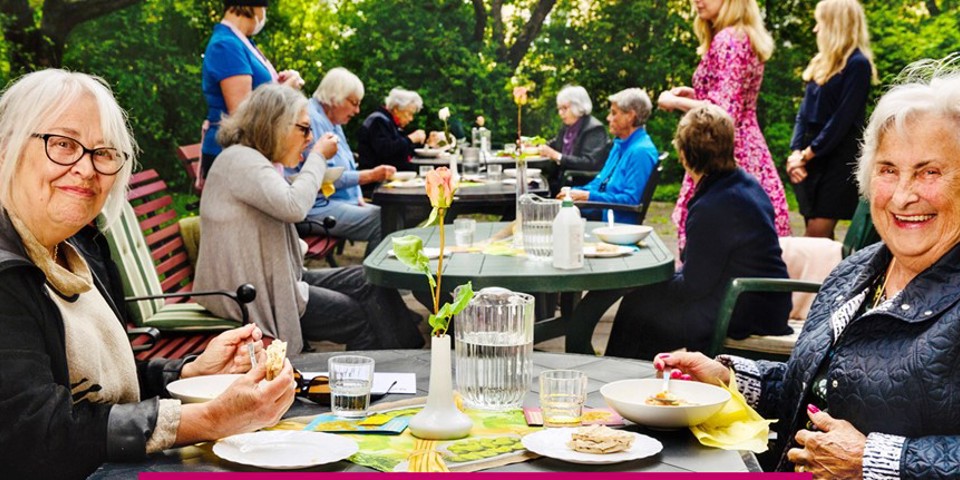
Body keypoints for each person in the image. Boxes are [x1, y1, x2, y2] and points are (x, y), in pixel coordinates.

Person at [654, 58, 960, 478]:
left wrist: (873, 460)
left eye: (929, 172)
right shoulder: (855, 273)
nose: (904, 195)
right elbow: (819, 387)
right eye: (888, 170)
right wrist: (728, 377)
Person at [0, 69, 294, 480]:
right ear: (6, 147)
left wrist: (189, 372)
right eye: (63, 144)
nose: (87, 169)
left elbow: (99, 387)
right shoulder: (7, 273)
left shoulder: (79, 247)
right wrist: (206, 419)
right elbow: (35, 434)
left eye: (103, 153)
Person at [195, 84, 424, 354]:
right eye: (304, 129)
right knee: (357, 316)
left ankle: (411, 355)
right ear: (275, 124)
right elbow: (294, 206)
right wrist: (317, 158)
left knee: (369, 278)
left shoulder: (246, 159)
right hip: (252, 296)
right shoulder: (242, 161)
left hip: (277, 281)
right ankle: (380, 380)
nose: (309, 137)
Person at [606, 104, 790, 360]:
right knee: (641, 306)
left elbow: (695, 284)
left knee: (639, 313)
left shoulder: (712, 205)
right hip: (763, 301)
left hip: (743, 306)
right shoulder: (744, 184)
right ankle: (629, 379)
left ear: (684, 155)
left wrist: (648, 283)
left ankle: (619, 380)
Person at [658, 0, 792, 250]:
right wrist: (694, 95)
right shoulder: (741, 36)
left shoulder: (730, 39)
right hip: (748, 148)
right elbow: (728, 96)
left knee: (715, 245)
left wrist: (673, 101)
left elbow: (724, 112)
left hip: (727, 153)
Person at [786, 0, 876, 239]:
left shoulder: (858, 65)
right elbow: (803, 114)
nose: (816, 29)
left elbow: (841, 121)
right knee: (819, 237)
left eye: (819, 23)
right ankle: (830, 277)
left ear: (836, 25)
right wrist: (795, 152)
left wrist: (807, 154)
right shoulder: (819, 63)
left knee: (814, 235)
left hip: (836, 159)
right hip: (810, 160)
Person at [286, 67, 394, 257]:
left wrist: (358, 196)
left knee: (393, 214)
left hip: (334, 201)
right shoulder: (311, 118)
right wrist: (370, 176)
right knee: (384, 220)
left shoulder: (333, 120)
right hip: (314, 206)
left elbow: (347, 165)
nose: (357, 110)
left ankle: (375, 281)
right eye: (354, 103)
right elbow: (324, 176)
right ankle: (373, 284)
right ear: (336, 96)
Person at [200, 0, 305, 178]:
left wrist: (281, 83)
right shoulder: (227, 45)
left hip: (248, 151)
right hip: (231, 154)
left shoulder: (243, 42)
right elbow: (242, 111)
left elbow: (259, 93)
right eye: (264, 7)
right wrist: (286, 89)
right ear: (251, 5)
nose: (264, 14)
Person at [558, 88, 659, 225]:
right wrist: (574, 192)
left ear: (630, 116)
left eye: (613, 113)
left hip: (616, 224)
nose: (608, 118)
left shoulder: (641, 152)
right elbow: (600, 182)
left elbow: (631, 200)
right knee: (554, 207)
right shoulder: (620, 144)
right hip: (604, 213)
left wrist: (588, 196)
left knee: (556, 218)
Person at [538, 85, 610, 195]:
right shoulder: (569, 126)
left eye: (564, 108)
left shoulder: (594, 129)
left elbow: (589, 163)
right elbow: (555, 144)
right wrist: (535, 146)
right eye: (559, 109)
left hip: (581, 186)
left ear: (578, 106)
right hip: (561, 181)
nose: (560, 113)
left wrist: (557, 156)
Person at [357, 87, 428, 173]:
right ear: (396, 109)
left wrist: (428, 145)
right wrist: (410, 139)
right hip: (376, 182)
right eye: (409, 113)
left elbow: (402, 149)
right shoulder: (378, 121)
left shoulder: (389, 122)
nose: (411, 119)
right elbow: (386, 151)